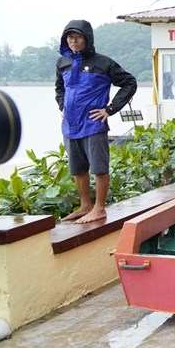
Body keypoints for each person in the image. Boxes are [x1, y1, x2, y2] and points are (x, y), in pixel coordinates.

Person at [55, 20, 137, 223]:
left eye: (78, 36)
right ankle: (85, 206)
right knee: (77, 167)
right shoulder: (62, 63)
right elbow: (59, 88)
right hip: (70, 125)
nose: (73, 40)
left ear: (87, 39)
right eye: (70, 36)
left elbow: (129, 82)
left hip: (93, 124)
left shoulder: (103, 63)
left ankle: (99, 208)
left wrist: (110, 109)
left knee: (99, 167)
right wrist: (61, 105)